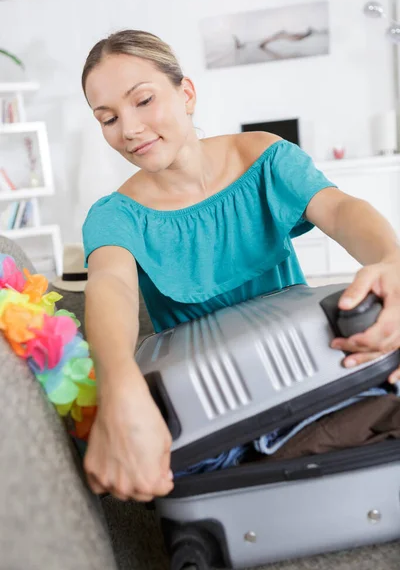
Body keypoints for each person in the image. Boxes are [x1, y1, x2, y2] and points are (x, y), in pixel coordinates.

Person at [81, 29, 400, 503]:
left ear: (185, 93)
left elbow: (338, 209)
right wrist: (119, 384)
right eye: (107, 118)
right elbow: (112, 286)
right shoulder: (114, 216)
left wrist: (392, 261)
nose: (127, 129)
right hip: (213, 412)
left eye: (143, 100)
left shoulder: (266, 158)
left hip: (313, 368)